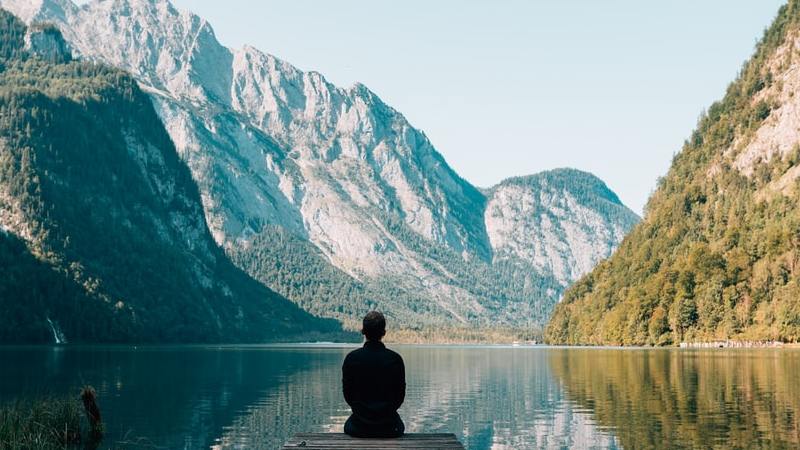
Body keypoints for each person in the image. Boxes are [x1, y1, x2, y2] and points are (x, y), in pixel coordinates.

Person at [342, 311, 406, 438]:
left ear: (363, 331)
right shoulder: (395, 359)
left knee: (348, 425)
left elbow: (348, 395)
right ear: (383, 333)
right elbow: (400, 396)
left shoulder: (351, 358)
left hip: (358, 427)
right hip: (390, 427)